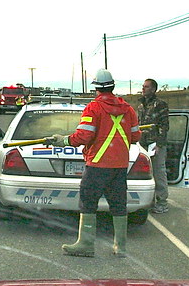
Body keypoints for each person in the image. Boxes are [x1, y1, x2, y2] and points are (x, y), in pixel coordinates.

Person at [45, 68, 140, 258]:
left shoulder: (93, 108)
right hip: (119, 165)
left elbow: (84, 135)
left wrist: (63, 140)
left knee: (88, 202)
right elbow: (136, 135)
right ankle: (120, 247)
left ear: (96, 88)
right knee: (119, 204)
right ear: (112, 86)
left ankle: (86, 244)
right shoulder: (128, 109)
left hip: (97, 164)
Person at [137, 78, 170, 214]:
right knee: (145, 174)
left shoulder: (160, 105)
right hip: (142, 144)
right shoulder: (140, 106)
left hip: (155, 144)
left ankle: (162, 202)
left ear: (154, 89)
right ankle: (149, 202)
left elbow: (164, 126)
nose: (144, 89)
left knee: (158, 172)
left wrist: (159, 144)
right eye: (143, 86)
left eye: (147, 87)